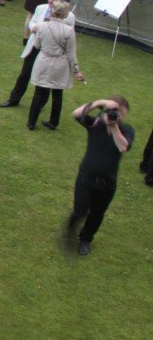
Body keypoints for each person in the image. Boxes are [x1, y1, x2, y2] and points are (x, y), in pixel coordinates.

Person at [65, 97, 135, 256]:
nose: (116, 116)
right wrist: (98, 102)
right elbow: (76, 114)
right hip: (86, 178)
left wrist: (114, 127)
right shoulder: (95, 124)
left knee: (97, 214)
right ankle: (68, 233)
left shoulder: (127, 130)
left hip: (108, 183)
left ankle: (86, 239)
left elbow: (123, 147)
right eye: (113, 111)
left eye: (120, 113)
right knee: (79, 211)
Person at [27, 0, 85, 131]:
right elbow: (71, 53)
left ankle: (31, 122)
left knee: (38, 92)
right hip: (60, 64)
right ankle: (53, 122)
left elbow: (37, 45)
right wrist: (76, 71)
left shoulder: (42, 26)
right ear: (64, 14)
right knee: (57, 93)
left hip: (43, 61)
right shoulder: (69, 30)